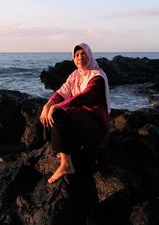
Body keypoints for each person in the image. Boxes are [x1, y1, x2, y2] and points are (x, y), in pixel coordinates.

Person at [40, 42, 110, 184]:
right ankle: (62, 149)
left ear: (89, 55)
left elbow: (83, 97)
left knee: (58, 114)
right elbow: (62, 92)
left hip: (95, 125)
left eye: (83, 54)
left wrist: (58, 107)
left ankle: (66, 164)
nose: (80, 57)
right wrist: (47, 105)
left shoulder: (98, 76)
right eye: (76, 55)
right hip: (81, 119)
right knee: (47, 112)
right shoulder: (75, 75)